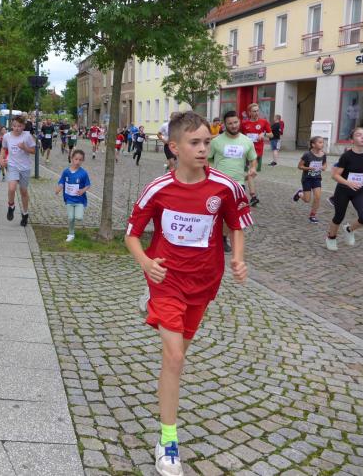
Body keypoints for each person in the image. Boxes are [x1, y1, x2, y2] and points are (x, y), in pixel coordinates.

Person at [125, 111, 252, 476]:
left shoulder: (225, 187)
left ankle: (165, 418)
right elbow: (131, 235)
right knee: (175, 356)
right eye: (194, 142)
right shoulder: (158, 188)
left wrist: (238, 258)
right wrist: (146, 262)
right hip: (165, 280)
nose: (202, 149)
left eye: (206, 142)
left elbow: (236, 224)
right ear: (174, 147)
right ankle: (168, 441)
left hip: (203, 283)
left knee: (178, 358)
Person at [208, 111, 257, 252]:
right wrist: (209, 173)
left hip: (238, 184)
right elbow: (208, 159)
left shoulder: (247, 141)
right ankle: (211, 235)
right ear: (224, 125)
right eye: (230, 123)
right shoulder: (216, 142)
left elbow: (253, 158)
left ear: (239, 122)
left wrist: (253, 168)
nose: (233, 125)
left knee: (232, 214)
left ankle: (222, 238)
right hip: (218, 183)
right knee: (215, 212)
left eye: (235, 122)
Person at [325, 127, 363, 251]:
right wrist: (348, 182)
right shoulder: (346, 156)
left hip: (359, 191)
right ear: (352, 140)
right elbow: (335, 175)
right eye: (358, 135)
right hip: (343, 191)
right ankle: (331, 237)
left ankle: (349, 229)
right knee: (338, 217)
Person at [1, 116, 37, 226]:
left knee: (23, 191)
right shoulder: (7, 136)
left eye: (19, 126)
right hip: (12, 165)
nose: (17, 128)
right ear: (11, 126)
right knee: (11, 188)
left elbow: (34, 151)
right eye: (14, 126)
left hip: (25, 168)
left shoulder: (27, 136)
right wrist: (2, 159)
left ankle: (25, 214)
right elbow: (3, 148)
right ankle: (11, 206)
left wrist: (25, 148)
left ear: (23, 126)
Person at [240, 103, 272, 206]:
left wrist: (264, 134)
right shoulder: (244, 123)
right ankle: (253, 196)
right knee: (251, 172)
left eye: (258, 110)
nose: (256, 113)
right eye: (254, 111)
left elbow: (272, 134)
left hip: (258, 152)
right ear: (249, 112)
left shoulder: (264, 122)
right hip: (246, 152)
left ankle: (237, 182)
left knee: (253, 173)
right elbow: (239, 135)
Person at [55, 149, 91, 242]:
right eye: (76, 159)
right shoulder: (66, 172)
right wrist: (59, 188)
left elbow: (88, 185)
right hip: (69, 199)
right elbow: (62, 181)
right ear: (72, 159)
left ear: (82, 161)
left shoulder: (83, 173)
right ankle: (71, 234)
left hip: (80, 200)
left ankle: (76, 215)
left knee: (78, 217)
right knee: (71, 218)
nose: (78, 162)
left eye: (80, 160)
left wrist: (83, 190)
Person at [293, 136, 327, 223]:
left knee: (318, 197)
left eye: (322, 142)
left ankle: (313, 215)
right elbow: (299, 166)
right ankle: (300, 193)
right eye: (320, 142)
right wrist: (309, 168)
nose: (322, 144)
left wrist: (323, 167)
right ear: (313, 144)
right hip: (307, 179)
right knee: (307, 200)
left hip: (317, 178)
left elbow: (325, 164)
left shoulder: (323, 154)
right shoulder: (307, 154)